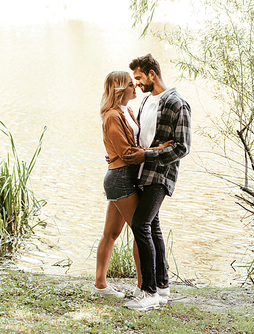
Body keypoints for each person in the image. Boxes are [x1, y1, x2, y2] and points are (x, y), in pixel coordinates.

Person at [93, 71, 172, 298]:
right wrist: (158, 150)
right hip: (121, 178)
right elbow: (126, 153)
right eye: (130, 85)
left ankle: (100, 285)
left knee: (111, 233)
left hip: (126, 176)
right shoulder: (111, 116)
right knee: (141, 230)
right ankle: (143, 287)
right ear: (119, 90)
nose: (135, 87)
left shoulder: (126, 111)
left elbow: (132, 144)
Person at [122, 54, 191, 311]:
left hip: (161, 175)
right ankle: (162, 287)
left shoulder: (176, 103)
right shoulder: (146, 102)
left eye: (139, 78)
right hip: (142, 172)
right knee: (153, 227)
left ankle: (148, 291)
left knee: (141, 224)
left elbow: (182, 147)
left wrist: (149, 154)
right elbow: (143, 137)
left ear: (152, 74)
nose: (137, 84)